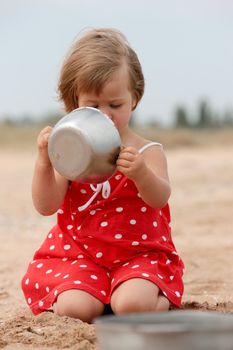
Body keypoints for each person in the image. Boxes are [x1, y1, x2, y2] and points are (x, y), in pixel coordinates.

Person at [21, 28, 184, 323]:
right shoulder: (72, 153)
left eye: (116, 105)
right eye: (93, 106)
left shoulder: (147, 151)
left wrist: (141, 174)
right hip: (79, 256)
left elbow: (160, 197)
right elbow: (46, 205)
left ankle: (154, 299)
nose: (106, 115)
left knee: (132, 305)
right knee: (76, 309)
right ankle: (96, 296)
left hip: (138, 255)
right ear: (74, 103)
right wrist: (45, 162)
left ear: (134, 98)